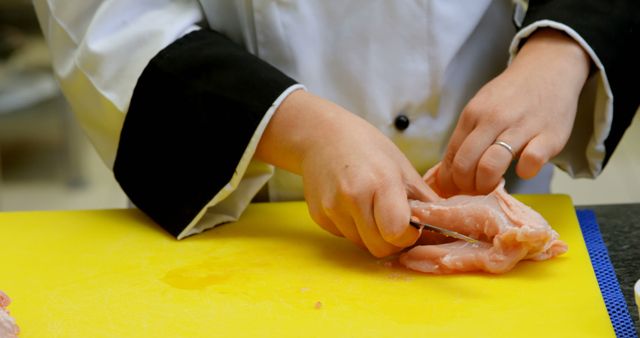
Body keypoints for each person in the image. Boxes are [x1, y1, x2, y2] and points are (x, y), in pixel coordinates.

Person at [33, 1, 639, 257]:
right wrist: (301, 128)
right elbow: (109, 21)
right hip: (255, 208)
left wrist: (561, 48)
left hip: (497, 187)